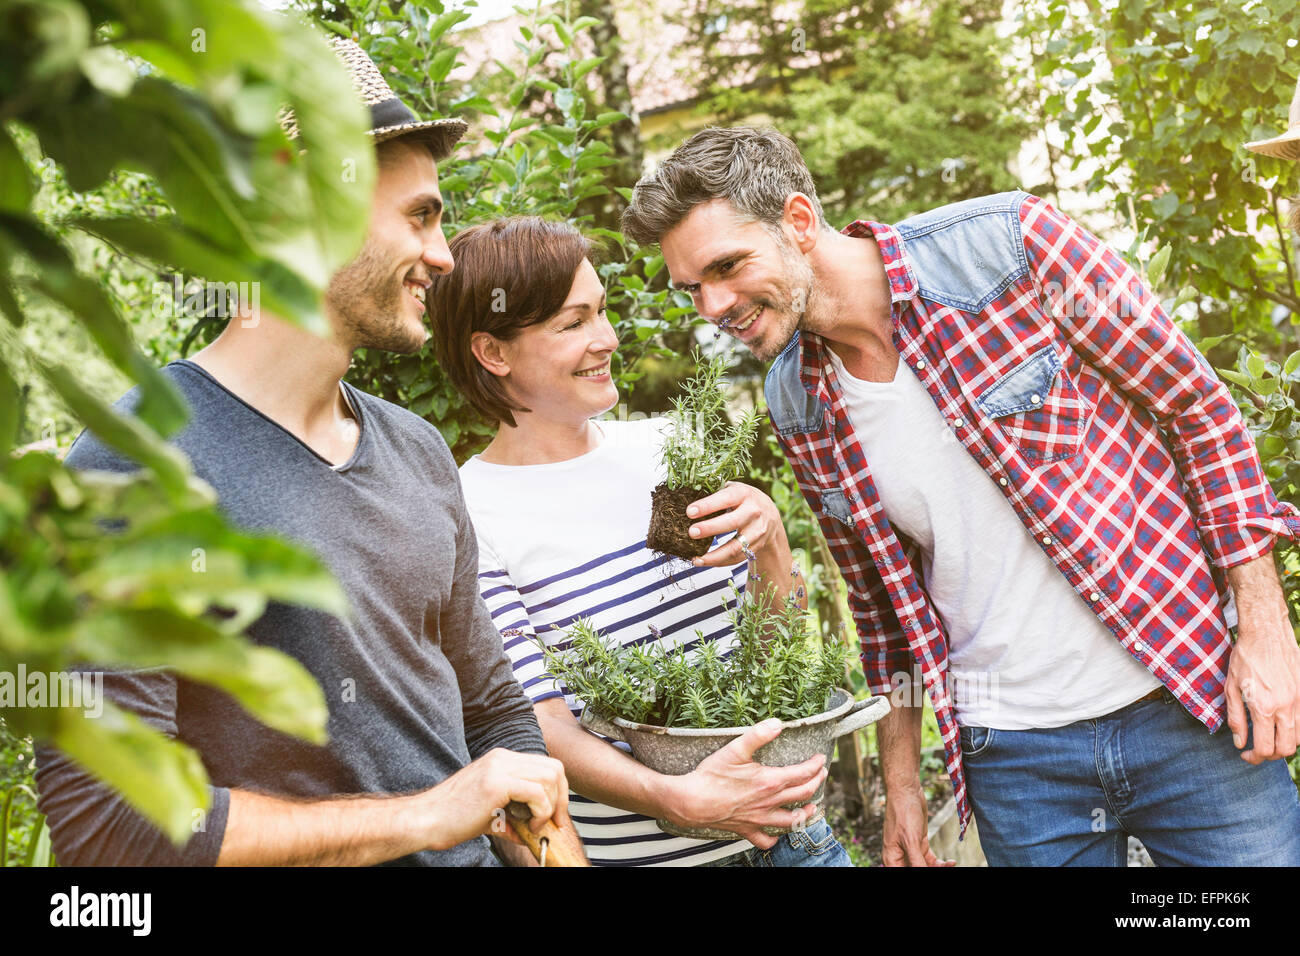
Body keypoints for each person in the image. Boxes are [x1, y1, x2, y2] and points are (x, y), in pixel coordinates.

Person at [621, 126, 1300, 866]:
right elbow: (880, 610)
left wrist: (1265, 627)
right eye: (692, 287)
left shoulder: (1012, 247)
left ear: (799, 221)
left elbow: (1195, 406)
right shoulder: (796, 399)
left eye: (727, 266)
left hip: (1187, 705)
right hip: (1013, 761)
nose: (712, 305)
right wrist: (903, 787)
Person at [33, 38, 569, 867]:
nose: (445, 253)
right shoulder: (131, 467)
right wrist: (425, 818)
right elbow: (111, 829)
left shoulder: (416, 450)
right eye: (420, 216)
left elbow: (494, 715)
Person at [426, 216, 852, 866]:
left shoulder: (664, 448)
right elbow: (540, 724)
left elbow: (765, 655)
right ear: (494, 352)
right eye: (573, 324)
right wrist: (677, 799)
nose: (607, 340)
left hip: (791, 837)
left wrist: (769, 542)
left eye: (601, 312)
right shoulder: (473, 512)